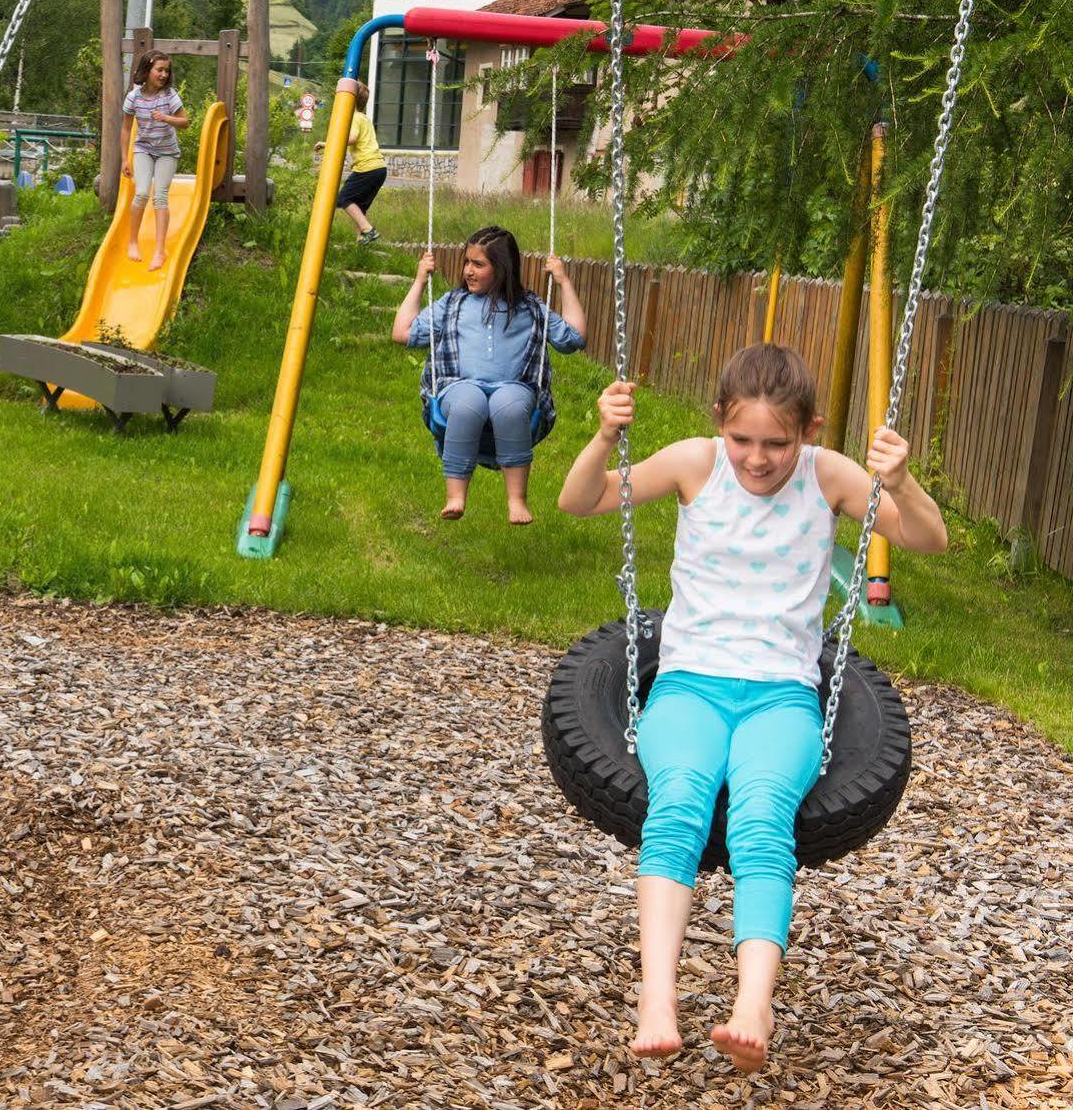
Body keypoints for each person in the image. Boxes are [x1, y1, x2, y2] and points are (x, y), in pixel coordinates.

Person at [557, 344, 948, 1073]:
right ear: (718, 424)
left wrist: (901, 482)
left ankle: (751, 1005)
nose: (758, 459)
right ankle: (656, 999)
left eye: (777, 442)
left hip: (781, 697)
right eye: (742, 439)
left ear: (809, 430)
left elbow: (927, 537)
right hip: (688, 687)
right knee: (674, 807)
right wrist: (603, 436)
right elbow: (580, 500)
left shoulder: (828, 476)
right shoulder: (691, 463)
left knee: (762, 821)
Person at [392, 225, 587, 522]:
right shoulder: (454, 303)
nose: (468, 270)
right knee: (469, 401)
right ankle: (456, 496)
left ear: (502, 268)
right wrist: (420, 280)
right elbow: (402, 333)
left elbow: (573, 339)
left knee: (507, 404)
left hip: (515, 388)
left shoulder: (530, 307)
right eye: (467, 262)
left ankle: (517, 500)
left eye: (478, 264)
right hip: (457, 387)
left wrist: (563, 282)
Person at [120, 49, 190, 271]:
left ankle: (160, 251)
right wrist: (125, 158)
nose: (163, 75)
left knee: (160, 196)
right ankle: (133, 241)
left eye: (167, 71)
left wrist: (167, 118)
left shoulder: (170, 95)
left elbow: (185, 122)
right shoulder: (134, 97)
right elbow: (125, 128)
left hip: (167, 153)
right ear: (147, 70)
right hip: (143, 150)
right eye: (159, 70)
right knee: (141, 193)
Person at [315, 78, 387, 244]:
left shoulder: (354, 117)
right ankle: (361, 240)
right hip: (379, 168)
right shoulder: (364, 118)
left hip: (367, 167)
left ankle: (368, 230)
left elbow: (352, 138)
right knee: (360, 206)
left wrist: (326, 143)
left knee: (344, 199)